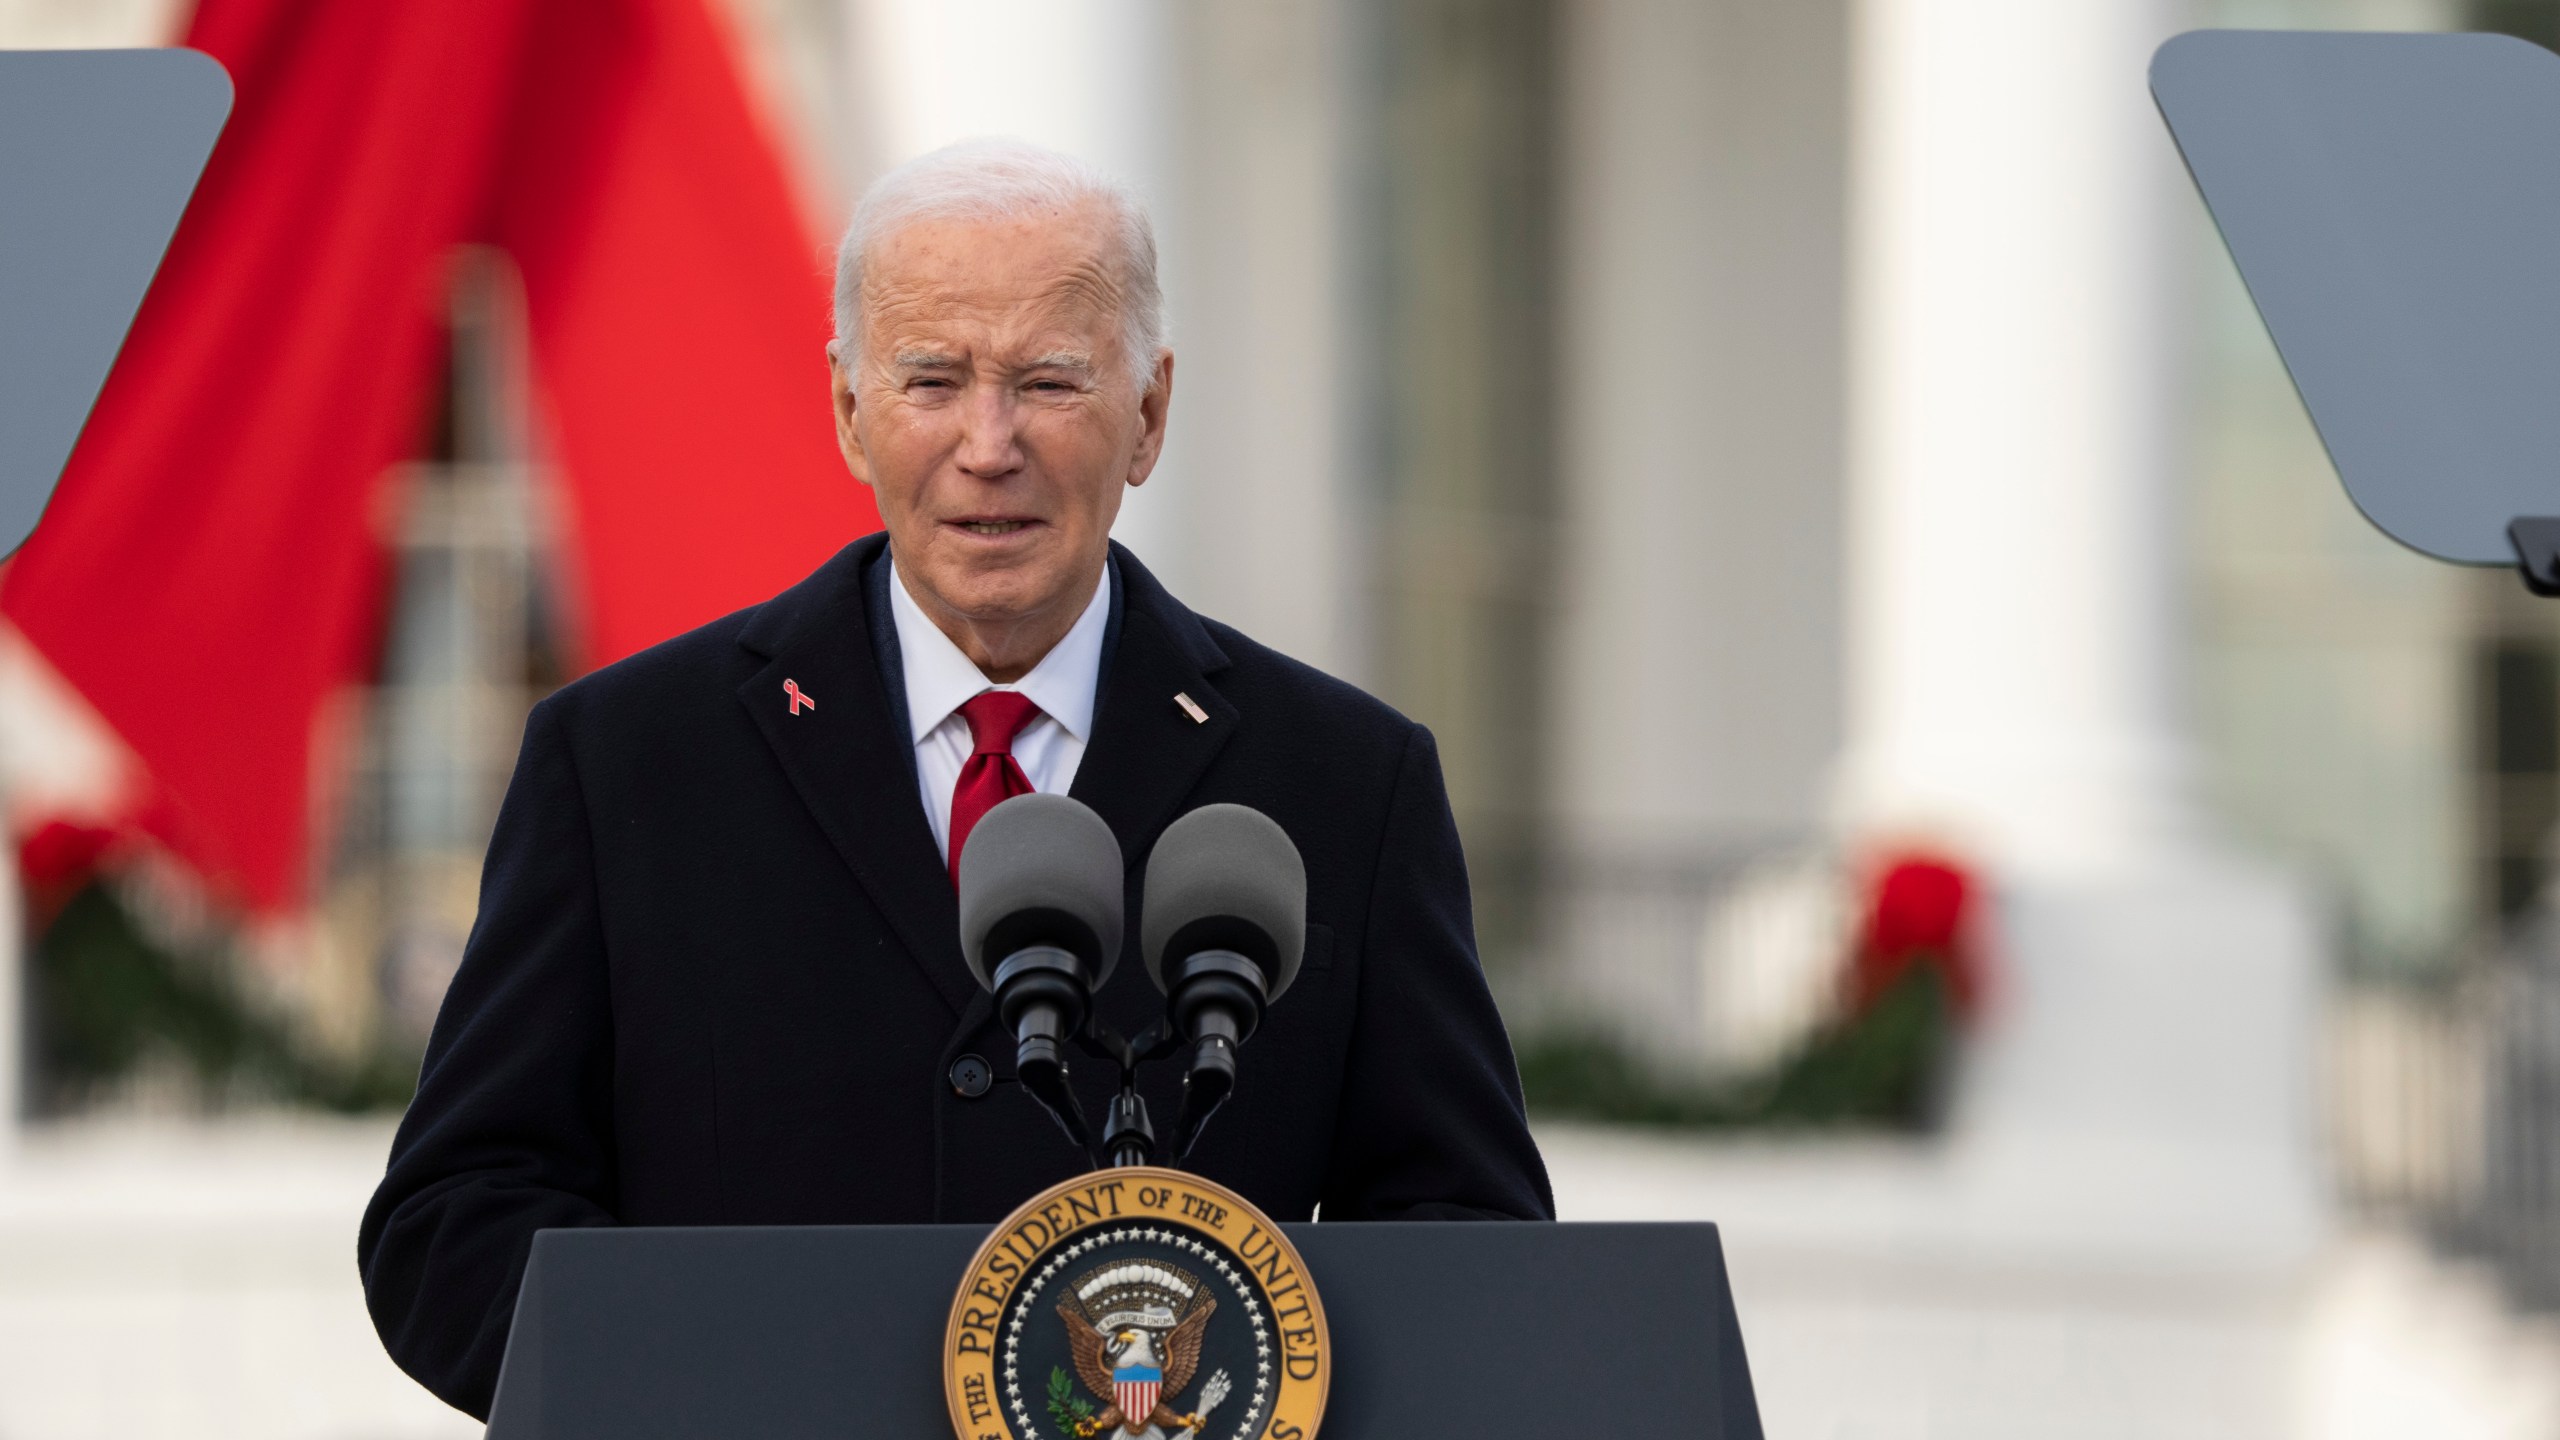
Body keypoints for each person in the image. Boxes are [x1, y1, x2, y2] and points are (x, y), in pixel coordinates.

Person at [357, 138, 1553, 1419]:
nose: (990, 445)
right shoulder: (626, 760)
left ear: (1148, 415)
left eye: (1048, 381)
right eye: (933, 379)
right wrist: (711, 1394)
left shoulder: (1343, 785)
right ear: (847, 412)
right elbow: (453, 1221)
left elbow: (1467, 1241)